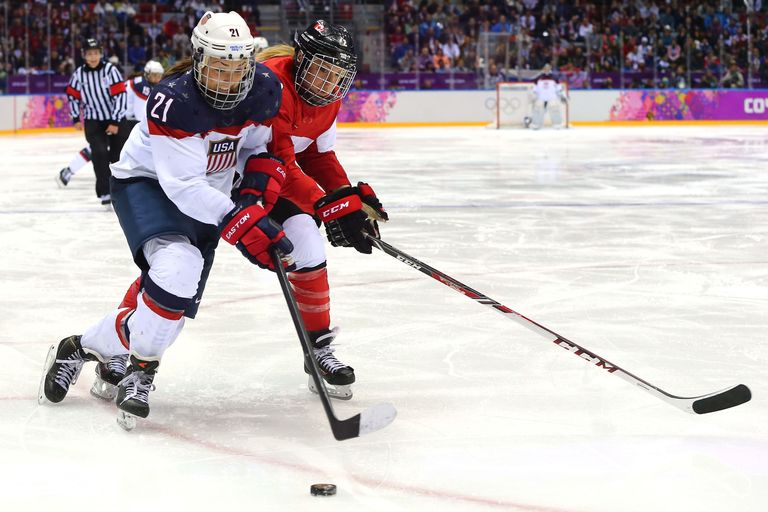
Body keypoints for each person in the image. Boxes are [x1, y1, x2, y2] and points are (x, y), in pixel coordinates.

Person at [39, 11, 291, 429]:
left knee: (167, 317)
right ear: (198, 59)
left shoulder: (264, 91)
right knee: (179, 267)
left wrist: (253, 198)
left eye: (236, 66)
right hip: (149, 185)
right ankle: (140, 372)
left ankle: (80, 347)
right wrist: (241, 219)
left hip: (210, 194)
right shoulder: (175, 101)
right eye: (217, 66)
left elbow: (256, 151)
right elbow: (183, 186)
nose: (228, 79)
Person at [255, 20, 388, 400]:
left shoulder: (327, 99)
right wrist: (329, 205)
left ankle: (318, 349)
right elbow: (280, 160)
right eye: (322, 71)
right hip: (233, 181)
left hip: (275, 180)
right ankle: (125, 349)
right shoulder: (271, 86)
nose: (329, 83)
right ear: (301, 60)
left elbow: (318, 154)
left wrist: (349, 198)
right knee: (178, 268)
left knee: (310, 246)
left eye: (337, 76)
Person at [57, 60, 164, 190]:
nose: (157, 78)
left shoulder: (140, 82)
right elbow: (140, 114)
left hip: (120, 119)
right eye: (154, 75)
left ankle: (69, 171)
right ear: (147, 74)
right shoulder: (143, 86)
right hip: (122, 121)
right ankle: (70, 171)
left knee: (99, 149)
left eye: (159, 75)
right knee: (100, 149)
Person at [64, 38, 127, 206]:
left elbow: (120, 95)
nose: (93, 57)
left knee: (117, 156)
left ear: (101, 53)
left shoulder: (110, 70)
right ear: (84, 55)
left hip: (114, 118)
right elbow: (72, 95)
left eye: (96, 53)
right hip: (93, 121)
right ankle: (105, 192)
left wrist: (115, 121)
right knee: (99, 153)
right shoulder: (79, 74)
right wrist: (76, 117)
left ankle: (120, 191)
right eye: (90, 53)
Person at [528, 63, 567, 129]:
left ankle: (557, 124)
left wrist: (562, 95)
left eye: (548, 68)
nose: (547, 69)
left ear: (550, 68)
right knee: (538, 110)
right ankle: (536, 124)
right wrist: (533, 95)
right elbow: (535, 88)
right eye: (545, 68)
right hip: (541, 97)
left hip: (552, 97)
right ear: (543, 69)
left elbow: (559, 88)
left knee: (554, 110)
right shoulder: (539, 77)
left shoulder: (554, 77)